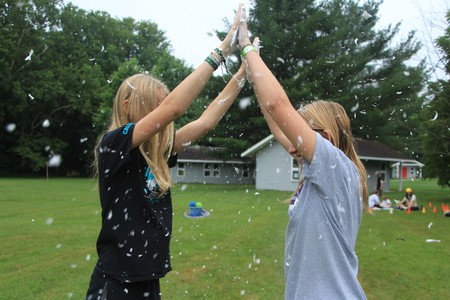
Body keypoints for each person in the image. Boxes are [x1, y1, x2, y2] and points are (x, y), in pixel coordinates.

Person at [86, 6, 246, 300]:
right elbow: (175, 107)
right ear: (126, 105)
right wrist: (223, 49)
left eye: (162, 108)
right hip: (116, 281)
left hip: (147, 276)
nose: (165, 118)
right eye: (154, 108)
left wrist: (242, 74)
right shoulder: (112, 144)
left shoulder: (157, 151)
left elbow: (206, 121)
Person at [238, 10, 368, 300]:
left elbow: (278, 105)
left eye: (301, 137)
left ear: (326, 137)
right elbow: (276, 120)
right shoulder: (323, 174)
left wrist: (245, 45)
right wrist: (252, 73)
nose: (291, 148)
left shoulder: (335, 166)